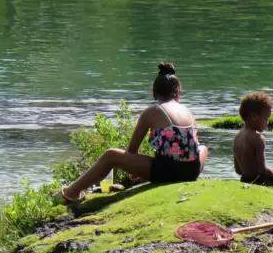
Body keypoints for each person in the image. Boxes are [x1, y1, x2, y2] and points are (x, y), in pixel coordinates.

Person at [57, 62, 209, 207]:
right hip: (192, 171)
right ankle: (73, 191)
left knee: (111, 155)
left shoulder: (152, 111)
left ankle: (71, 192)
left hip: (167, 172)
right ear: (177, 91)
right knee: (203, 148)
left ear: (154, 93)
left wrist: (135, 172)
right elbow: (189, 147)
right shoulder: (188, 112)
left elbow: (132, 151)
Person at [233, 92, 273, 190]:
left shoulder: (237, 137)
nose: (267, 123)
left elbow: (238, 170)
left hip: (245, 180)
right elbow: (262, 169)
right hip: (261, 181)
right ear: (254, 117)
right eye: (265, 118)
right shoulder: (258, 138)